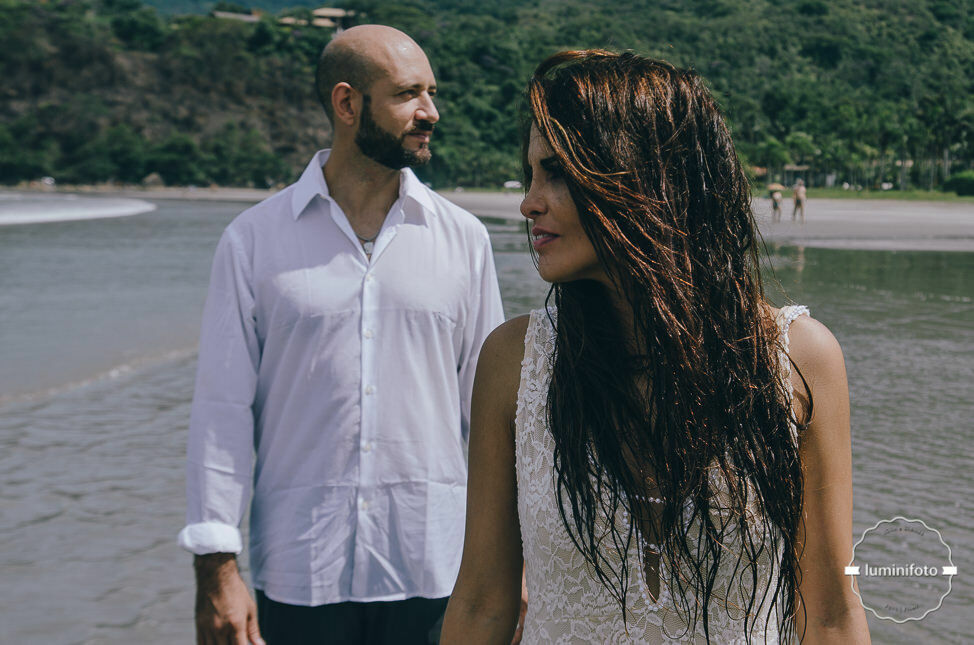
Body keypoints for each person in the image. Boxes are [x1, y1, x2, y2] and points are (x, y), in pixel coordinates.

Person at [441, 51, 870, 643]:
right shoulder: (516, 362)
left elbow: (829, 613)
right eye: (531, 174)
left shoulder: (796, 358)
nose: (528, 202)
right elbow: (483, 603)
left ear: (645, 176)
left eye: (557, 172)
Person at [177, 25, 505, 645]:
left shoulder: (464, 240)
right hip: (301, 573)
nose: (430, 112)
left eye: (431, 93)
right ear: (347, 104)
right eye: (408, 94)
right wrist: (217, 570)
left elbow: (488, 416)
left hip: (434, 569)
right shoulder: (253, 241)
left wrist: (509, 565)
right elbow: (221, 413)